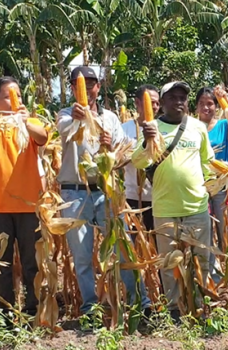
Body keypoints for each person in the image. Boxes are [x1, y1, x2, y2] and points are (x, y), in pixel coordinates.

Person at [57, 66, 151, 316]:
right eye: (80, 83)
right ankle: (90, 308)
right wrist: (79, 117)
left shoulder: (110, 118)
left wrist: (110, 149)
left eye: (92, 83)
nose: (87, 87)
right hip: (75, 194)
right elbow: (65, 130)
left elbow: (123, 154)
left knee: (123, 248)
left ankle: (140, 302)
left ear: (99, 87)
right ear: (71, 87)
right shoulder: (65, 114)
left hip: (107, 191)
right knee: (83, 255)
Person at [132, 81, 214, 320]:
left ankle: (199, 307)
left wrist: (207, 189)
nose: (179, 102)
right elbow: (138, 162)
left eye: (183, 98)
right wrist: (147, 141)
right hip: (165, 208)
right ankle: (174, 310)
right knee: (169, 265)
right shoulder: (152, 128)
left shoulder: (198, 127)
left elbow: (207, 162)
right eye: (173, 97)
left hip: (196, 206)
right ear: (163, 103)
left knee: (201, 261)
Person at [0, 77, 48, 321]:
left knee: (31, 262)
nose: (13, 100)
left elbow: (43, 137)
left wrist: (25, 121)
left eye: (16, 95)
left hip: (28, 204)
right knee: (1, 263)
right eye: (7, 96)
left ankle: (33, 311)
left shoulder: (29, 121)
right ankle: (6, 313)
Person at [194, 86, 228, 282]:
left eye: (210, 103)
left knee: (224, 228)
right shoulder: (191, 128)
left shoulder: (225, 125)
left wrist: (225, 102)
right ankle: (212, 275)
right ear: (196, 107)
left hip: (222, 185)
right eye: (202, 104)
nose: (206, 107)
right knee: (206, 230)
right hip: (199, 185)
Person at [122, 84, 159, 234]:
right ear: (137, 103)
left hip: (158, 198)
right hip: (132, 197)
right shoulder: (124, 129)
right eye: (150, 102)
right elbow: (117, 160)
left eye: (157, 103)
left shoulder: (163, 127)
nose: (155, 106)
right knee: (136, 244)